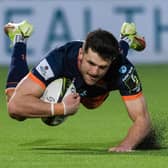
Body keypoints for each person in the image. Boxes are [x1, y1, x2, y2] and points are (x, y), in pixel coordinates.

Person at [4, 20, 151, 152]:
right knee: (16, 108)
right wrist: (61, 108)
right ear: (81, 54)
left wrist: (126, 145)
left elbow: (143, 120)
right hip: (70, 79)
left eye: (102, 67)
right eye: (91, 63)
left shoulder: (122, 69)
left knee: (94, 102)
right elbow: (15, 106)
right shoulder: (60, 58)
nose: (94, 71)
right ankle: (20, 37)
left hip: (96, 92)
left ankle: (126, 38)